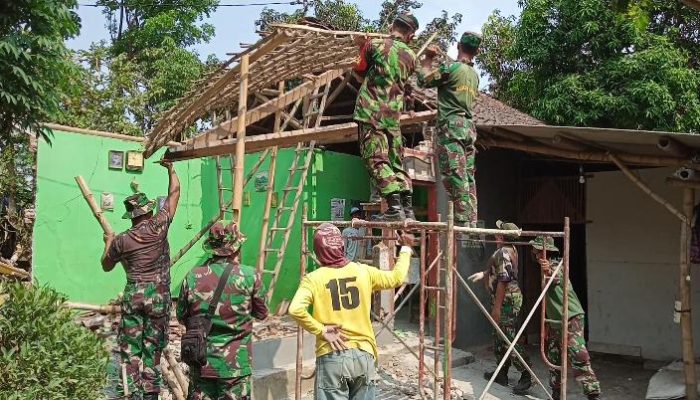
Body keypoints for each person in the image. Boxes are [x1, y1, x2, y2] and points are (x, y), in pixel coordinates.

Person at [288, 223, 415, 399]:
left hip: (332, 354)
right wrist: (406, 249)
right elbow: (396, 278)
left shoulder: (313, 279)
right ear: (341, 246)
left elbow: (295, 309)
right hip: (364, 355)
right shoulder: (363, 271)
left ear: (318, 251)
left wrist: (322, 330)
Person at [101, 160, 180, 400]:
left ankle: (131, 392)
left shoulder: (122, 240)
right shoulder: (159, 225)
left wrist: (108, 241)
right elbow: (174, 195)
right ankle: (150, 394)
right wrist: (171, 169)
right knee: (152, 349)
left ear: (131, 216)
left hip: (133, 295)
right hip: (158, 296)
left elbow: (106, 265)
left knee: (130, 351)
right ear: (147, 211)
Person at [177, 221, 268, 400]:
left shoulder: (192, 276)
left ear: (211, 247)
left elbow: (182, 316)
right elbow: (262, 313)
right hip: (236, 369)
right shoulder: (250, 276)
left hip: (201, 364)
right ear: (236, 248)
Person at [353, 12, 419, 222]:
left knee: (375, 159)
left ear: (392, 25)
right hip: (393, 119)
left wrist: (360, 46)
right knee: (396, 161)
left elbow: (359, 69)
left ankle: (393, 208)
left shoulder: (375, 45)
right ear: (410, 35)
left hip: (371, 113)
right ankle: (407, 210)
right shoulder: (411, 57)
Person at [417, 32, 482, 228]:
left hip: (451, 127)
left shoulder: (452, 68)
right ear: (477, 51)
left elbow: (423, 80)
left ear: (458, 45)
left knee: (454, 171)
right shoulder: (474, 76)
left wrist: (428, 57)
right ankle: (471, 218)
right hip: (468, 130)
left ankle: (462, 218)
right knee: (468, 175)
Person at [529, 236, 601, 400]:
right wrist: (547, 324)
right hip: (556, 321)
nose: (533, 253)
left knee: (577, 355)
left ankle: (593, 393)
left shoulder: (556, 265)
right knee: (554, 357)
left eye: (536, 250)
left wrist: (547, 270)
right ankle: (556, 394)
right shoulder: (545, 267)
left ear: (542, 252)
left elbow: (555, 277)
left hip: (571, 318)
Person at [468, 220, 533, 395]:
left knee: (508, 338)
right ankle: (501, 373)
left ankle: (526, 374)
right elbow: (501, 271)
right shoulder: (509, 249)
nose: (495, 234)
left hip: (506, 301)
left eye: (498, 232)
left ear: (501, 236)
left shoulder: (503, 252)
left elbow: (503, 281)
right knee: (499, 337)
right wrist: (484, 274)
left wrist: (496, 308)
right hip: (506, 299)